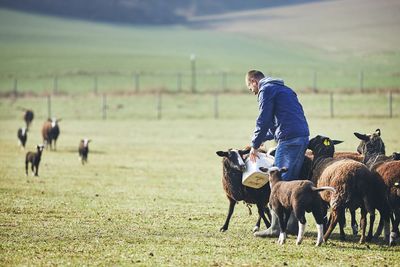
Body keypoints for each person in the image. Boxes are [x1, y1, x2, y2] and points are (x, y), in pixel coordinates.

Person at [245, 70, 310, 237]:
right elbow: (276, 124)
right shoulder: (283, 89)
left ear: (253, 81)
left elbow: (263, 118)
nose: (252, 92)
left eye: (250, 87)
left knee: (277, 183)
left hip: (290, 140)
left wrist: (254, 144)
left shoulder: (265, 90)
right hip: (300, 137)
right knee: (292, 182)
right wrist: (261, 140)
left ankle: (275, 228)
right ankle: (293, 225)